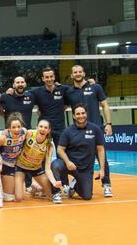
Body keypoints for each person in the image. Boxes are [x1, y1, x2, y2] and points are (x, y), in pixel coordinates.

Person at [65, 65, 113, 197]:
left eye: (80, 71)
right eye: (75, 72)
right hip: (78, 131)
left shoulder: (95, 87)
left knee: (102, 157)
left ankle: (106, 184)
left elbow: (105, 105)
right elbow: (61, 106)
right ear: (72, 75)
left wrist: (109, 123)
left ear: (84, 73)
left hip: (95, 128)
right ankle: (76, 180)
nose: (78, 74)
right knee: (77, 157)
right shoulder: (69, 92)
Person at [51, 104, 106, 200]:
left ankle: (73, 186)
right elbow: (60, 149)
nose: (81, 116)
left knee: (87, 196)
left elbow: (100, 150)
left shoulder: (95, 129)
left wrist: (102, 169)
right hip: (69, 165)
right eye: (78, 114)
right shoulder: (68, 131)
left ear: (86, 114)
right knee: (55, 165)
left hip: (85, 169)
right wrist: (68, 162)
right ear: (73, 116)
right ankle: (56, 192)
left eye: (83, 113)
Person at [15, 119, 62, 204]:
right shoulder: (29, 134)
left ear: (48, 130)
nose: (42, 129)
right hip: (21, 166)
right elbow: (15, 133)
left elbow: (47, 168)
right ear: (36, 127)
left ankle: (36, 187)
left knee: (50, 196)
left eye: (45, 127)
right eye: (40, 126)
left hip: (36, 168)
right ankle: (35, 187)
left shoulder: (49, 146)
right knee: (18, 198)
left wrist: (54, 183)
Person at [0, 112, 27, 202]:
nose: (17, 129)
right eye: (13, 127)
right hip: (4, 163)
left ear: (21, 126)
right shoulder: (3, 138)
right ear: (9, 128)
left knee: (13, 197)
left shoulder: (24, 132)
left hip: (15, 165)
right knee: (8, 198)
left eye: (18, 127)